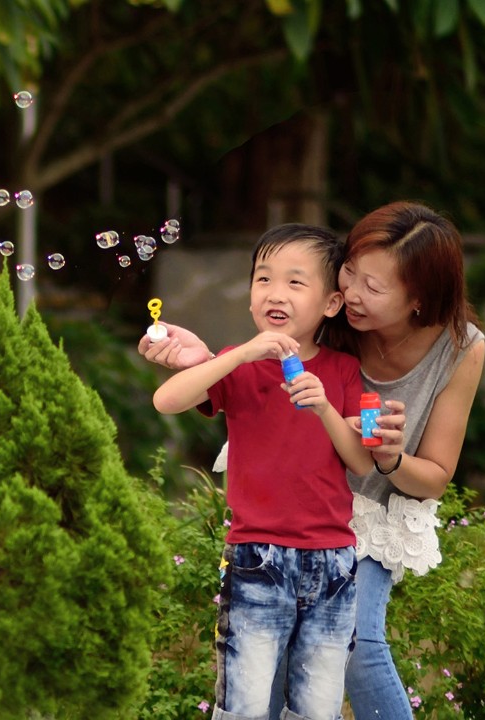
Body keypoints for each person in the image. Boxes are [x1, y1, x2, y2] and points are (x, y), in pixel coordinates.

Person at [141, 201, 485, 720]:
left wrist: (387, 456)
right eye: (351, 273)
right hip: (281, 512)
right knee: (263, 675)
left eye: (373, 287)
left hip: (363, 513)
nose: (351, 293)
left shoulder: (454, 349)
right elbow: (240, 366)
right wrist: (210, 358)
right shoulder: (329, 323)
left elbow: (417, 473)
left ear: (417, 300)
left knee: (359, 648)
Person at [153, 223, 376, 720]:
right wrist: (242, 354)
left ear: (331, 303)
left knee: (318, 707)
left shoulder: (344, 371)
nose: (276, 293)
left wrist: (325, 410)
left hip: (333, 565)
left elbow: (363, 462)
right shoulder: (240, 363)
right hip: (257, 559)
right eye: (263, 279)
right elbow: (166, 399)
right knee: (245, 703)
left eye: (296, 282)